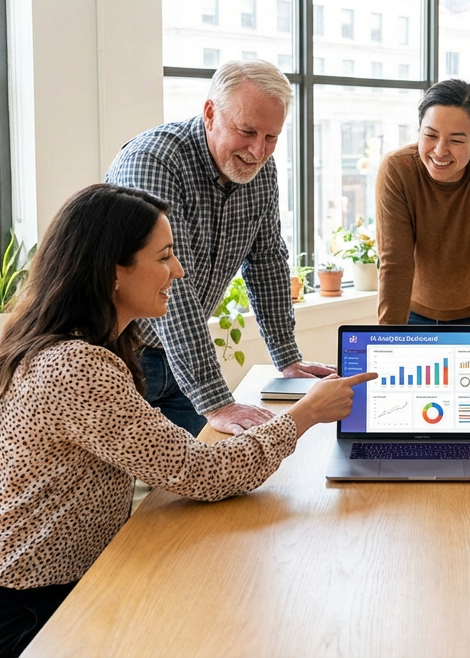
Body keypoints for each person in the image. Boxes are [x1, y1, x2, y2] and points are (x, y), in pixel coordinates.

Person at [0, 184, 375, 658]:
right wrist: (304, 415)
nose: (178, 271)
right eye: (163, 257)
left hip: (44, 591)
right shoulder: (76, 366)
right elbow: (202, 474)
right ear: (113, 272)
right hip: (6, 615)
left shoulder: (80, 345)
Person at [106, 60, 334, 436]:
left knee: (206, 479)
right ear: (210, 113)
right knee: (113, 485)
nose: (258, 151)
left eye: (271, 137)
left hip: (178, 359)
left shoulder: (260, 171)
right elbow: (168, 284)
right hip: (118, 352)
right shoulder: (153, 162)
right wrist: (216, 401)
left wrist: (288, 359)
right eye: (246, 131)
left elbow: (267, 261)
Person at [375, 79, 470, 367]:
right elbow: (395, 263)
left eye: (456, 140)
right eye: (430, 135)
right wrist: (386, 344)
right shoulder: (397, 169)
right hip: (410, 317)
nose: (440, 151)